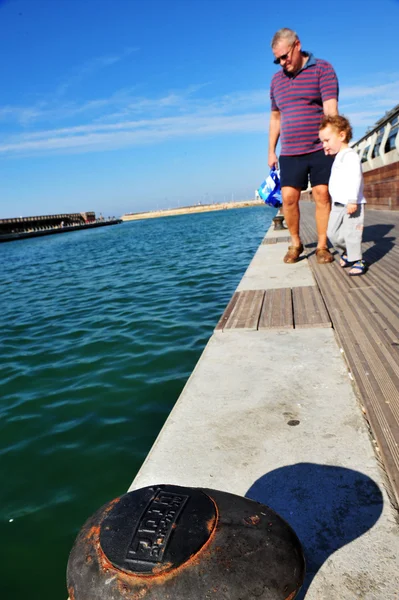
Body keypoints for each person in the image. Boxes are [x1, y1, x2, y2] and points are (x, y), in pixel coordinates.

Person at [268, 28, 339, 264]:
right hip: (290, 151)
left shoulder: (323, 69)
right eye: (277, 59)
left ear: (297, 45)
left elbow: (330, 109)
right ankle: (296, 243)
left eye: (284, 56)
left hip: (319, 147)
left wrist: (335, 142)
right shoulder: (276, 80)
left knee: (322, 194)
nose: (281, 63)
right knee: (288, 197)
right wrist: (271, 151)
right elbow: (275, 118)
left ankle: (321, 246)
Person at [319, 115, 367, 276]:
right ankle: (346, 252)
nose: (324, 145)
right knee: (332, 233)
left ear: (341, 135)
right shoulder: (339, 156)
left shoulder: (350, 155)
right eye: (322, 142)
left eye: (326, 140)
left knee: (352, 233)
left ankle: (358, 259)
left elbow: (355, 178)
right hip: (338, 204)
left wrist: (353, 200)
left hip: (351, 203)